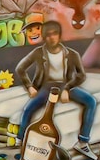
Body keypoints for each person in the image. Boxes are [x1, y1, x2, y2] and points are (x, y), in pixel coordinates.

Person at [15, 19, 95, 147]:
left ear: (59, 35)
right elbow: (20, 69)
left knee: (91, 101)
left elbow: (81, 75)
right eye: (48, 35)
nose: (52, 37)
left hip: (65, 85)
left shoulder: (72, 54)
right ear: (44, 37)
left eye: (54, 33)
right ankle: (19, 140)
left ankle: (83, 142)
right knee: (28, 109)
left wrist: (67, 88)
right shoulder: (38, 52)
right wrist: (29, 87)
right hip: (46, 87)